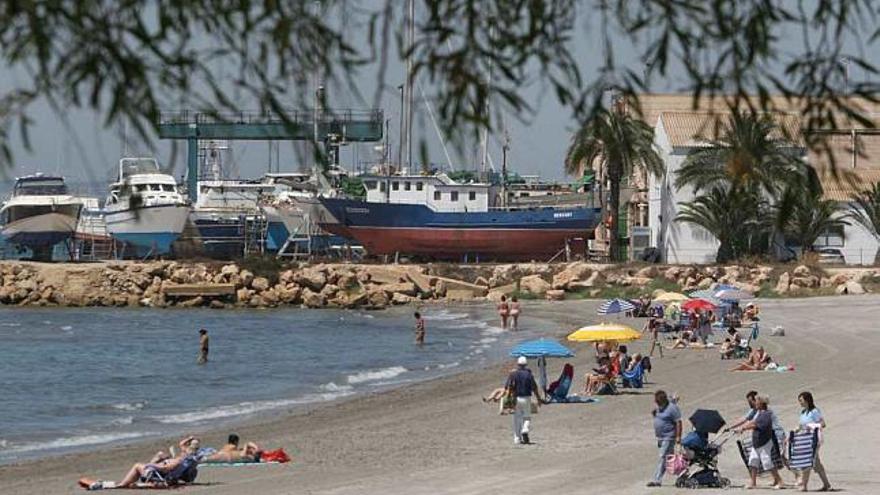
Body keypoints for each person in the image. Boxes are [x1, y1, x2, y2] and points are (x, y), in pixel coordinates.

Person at [80, 436, 200, 489]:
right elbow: (181, 444)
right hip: (172, 476)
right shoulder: (191, 457)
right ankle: (145, 473)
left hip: (162, 476)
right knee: (161, 454)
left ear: (188, 449)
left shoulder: (180, 459)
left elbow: (166, 469)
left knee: (137, 465)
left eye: (187, 445)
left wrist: (151, 465)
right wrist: (190, 438)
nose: (184, 447)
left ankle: (122, 484)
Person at [735, 395, 784, 489]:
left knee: (767, 462)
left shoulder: (766, 414)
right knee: (753, 461)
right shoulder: (759, 412)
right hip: (757, 442)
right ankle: (753, 482)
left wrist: (743, 428)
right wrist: (741, 428)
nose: (755, 403)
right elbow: (752, 422)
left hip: (764, 442)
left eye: (757, 401)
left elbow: (756, 425)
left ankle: (779, 481)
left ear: (761, 403)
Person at [796, 391, 831, 492]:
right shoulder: (803, 412)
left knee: (807, 461)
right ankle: (827, 484)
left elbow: (823, 424)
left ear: (807, 400)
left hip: (813, 439)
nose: (800, 403)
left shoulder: (814, 411)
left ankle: (804, 485)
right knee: (816, 463)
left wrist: (811, 426)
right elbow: (800, 426)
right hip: (804, 439)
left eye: (801, 400)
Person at [505, 356, 543, 444]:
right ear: (525, 365)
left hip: (516, 398)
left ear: (518, 364)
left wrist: (508, 397)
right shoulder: (529, 374)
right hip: (527, 398)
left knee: (516, 419)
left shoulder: (513, 374)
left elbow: (509, 386)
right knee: (527, 417)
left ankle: (517, 438)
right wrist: (538, 398)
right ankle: (525, 429)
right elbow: (534, 387)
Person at [647, 390, 682, 487]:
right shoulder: (659, 407)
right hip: (660, 437)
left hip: (669, 437)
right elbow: (656, 414)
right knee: (669, 458)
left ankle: (657, 480)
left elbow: (678, 422)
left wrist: (678, 437)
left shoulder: (672, 408)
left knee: (662, 456)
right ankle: (682, 474)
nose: (656, 403)